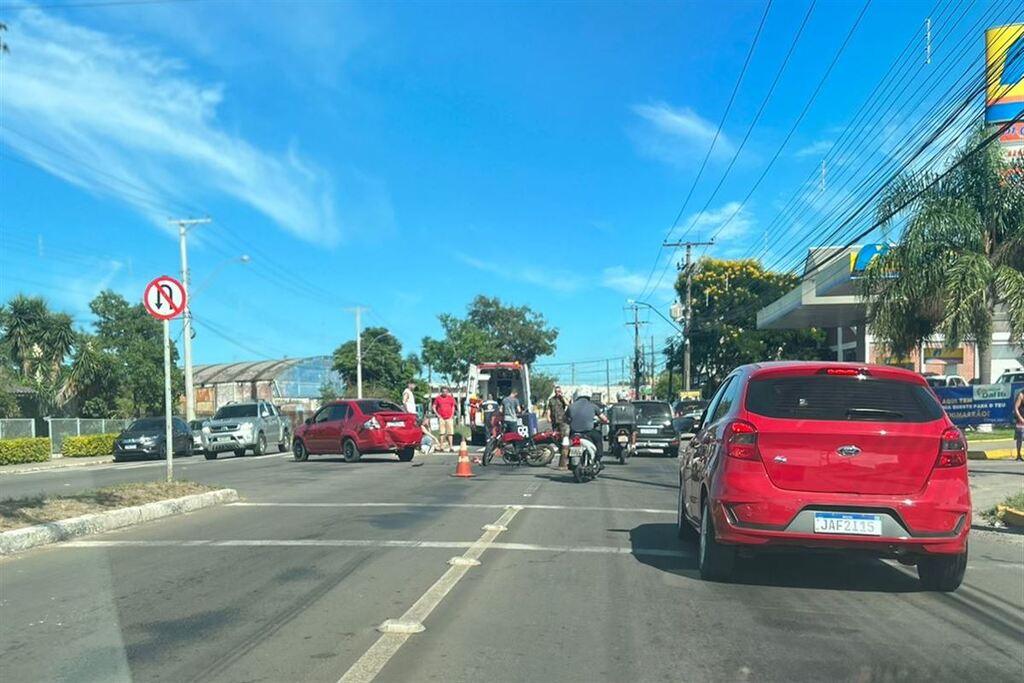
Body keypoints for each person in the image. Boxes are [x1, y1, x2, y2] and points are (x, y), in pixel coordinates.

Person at [567, 390, 609, 464]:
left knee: (567, 444)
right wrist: (604, 422)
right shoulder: (593, 406)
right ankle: (598, 459)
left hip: (574, 433)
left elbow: (565, 419)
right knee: (598, 438)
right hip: (588, 432)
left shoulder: (571, 406)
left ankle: (569, 459)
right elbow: (604, 419)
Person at [545, 386, 570, 469]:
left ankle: (565, 455)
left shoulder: (562, 399)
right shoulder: (551, 400)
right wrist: (548, 417)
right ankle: (561, 450)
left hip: (562, 421)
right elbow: (549, 409)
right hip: (554, 421)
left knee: (564, 437)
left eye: (558, 391)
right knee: (556, 438)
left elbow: (567, 404)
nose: (557, 393)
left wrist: (562, 396)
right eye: (556, 391)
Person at [432, 386, 457, 453]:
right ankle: (441, 446)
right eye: (443, 391)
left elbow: (453, 406)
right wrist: (438, 415)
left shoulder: (450, 398)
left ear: (448, 392)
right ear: (441, 392)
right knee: (441, 432)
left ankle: (451, 447)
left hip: (449, 417)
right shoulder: (438, 398)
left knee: (450, 433)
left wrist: (452, 415)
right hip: (441, 418)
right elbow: (434, 407)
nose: (445, 393)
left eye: (446, 391)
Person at [1014, 387, 1024, 462]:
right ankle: (1018, 454)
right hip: (1021, 420)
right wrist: (1020, 418)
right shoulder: (1021, 395)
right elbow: (1016, 408)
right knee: (1020, 438)